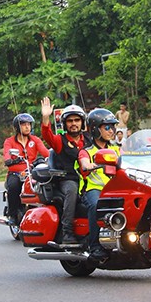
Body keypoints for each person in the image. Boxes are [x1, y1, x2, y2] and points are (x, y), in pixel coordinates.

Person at [41, 97, 89, 244]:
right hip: (69, 179)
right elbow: (47, 136)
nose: (74, 124)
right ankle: (67, 231)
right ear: (65, 124)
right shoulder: (60, 141)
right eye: (70, 121)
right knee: (71, 191)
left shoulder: (89, 140)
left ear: (82, 122)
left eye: (77, 120)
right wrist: (45, 117)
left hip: (90, 178)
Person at [77, 108, 121, 261]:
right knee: (96, 205)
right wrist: (92, 165)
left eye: (113, 127)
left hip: (115, 189)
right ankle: (95, 247)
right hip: (93, 190)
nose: (112, 131)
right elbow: (84, 164)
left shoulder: (116, 149)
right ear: (95, 129)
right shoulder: (86, 151)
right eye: (107, 127)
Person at [3, 113, 49, 226]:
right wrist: (10, 160)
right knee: (13, 186)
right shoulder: (9, 141)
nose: (27, 127)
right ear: (17, 127)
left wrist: (52, 157)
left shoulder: (35, 140)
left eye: (29, 124)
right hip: (16, 173)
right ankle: (13, 215)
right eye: (24, 124)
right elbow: (6, 155)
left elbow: (45, 152)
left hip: (32, 172)